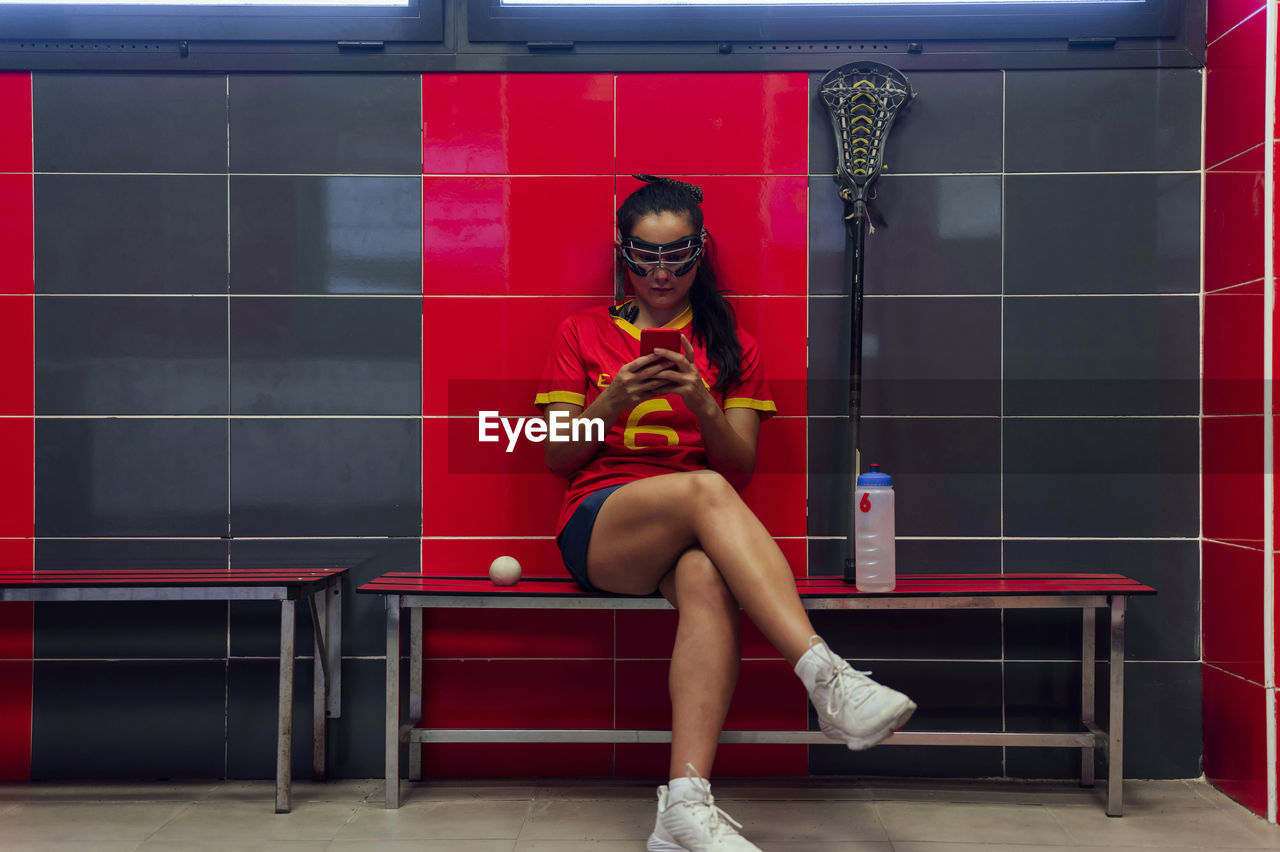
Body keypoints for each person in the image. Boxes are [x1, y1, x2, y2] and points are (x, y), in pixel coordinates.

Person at [535, 175, 916, 852]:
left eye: (676, 255)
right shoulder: (583, 332)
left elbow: (741, 464)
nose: (659, 271)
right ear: (624, 253)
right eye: (644, 256)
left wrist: (703, 401)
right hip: (600, 530)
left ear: (699, 252)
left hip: (688, 536)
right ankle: (827, 680)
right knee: (706, 490)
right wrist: (611, 402)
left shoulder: (732, 345)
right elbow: (555, 458)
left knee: (709, 575)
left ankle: (684, 808)